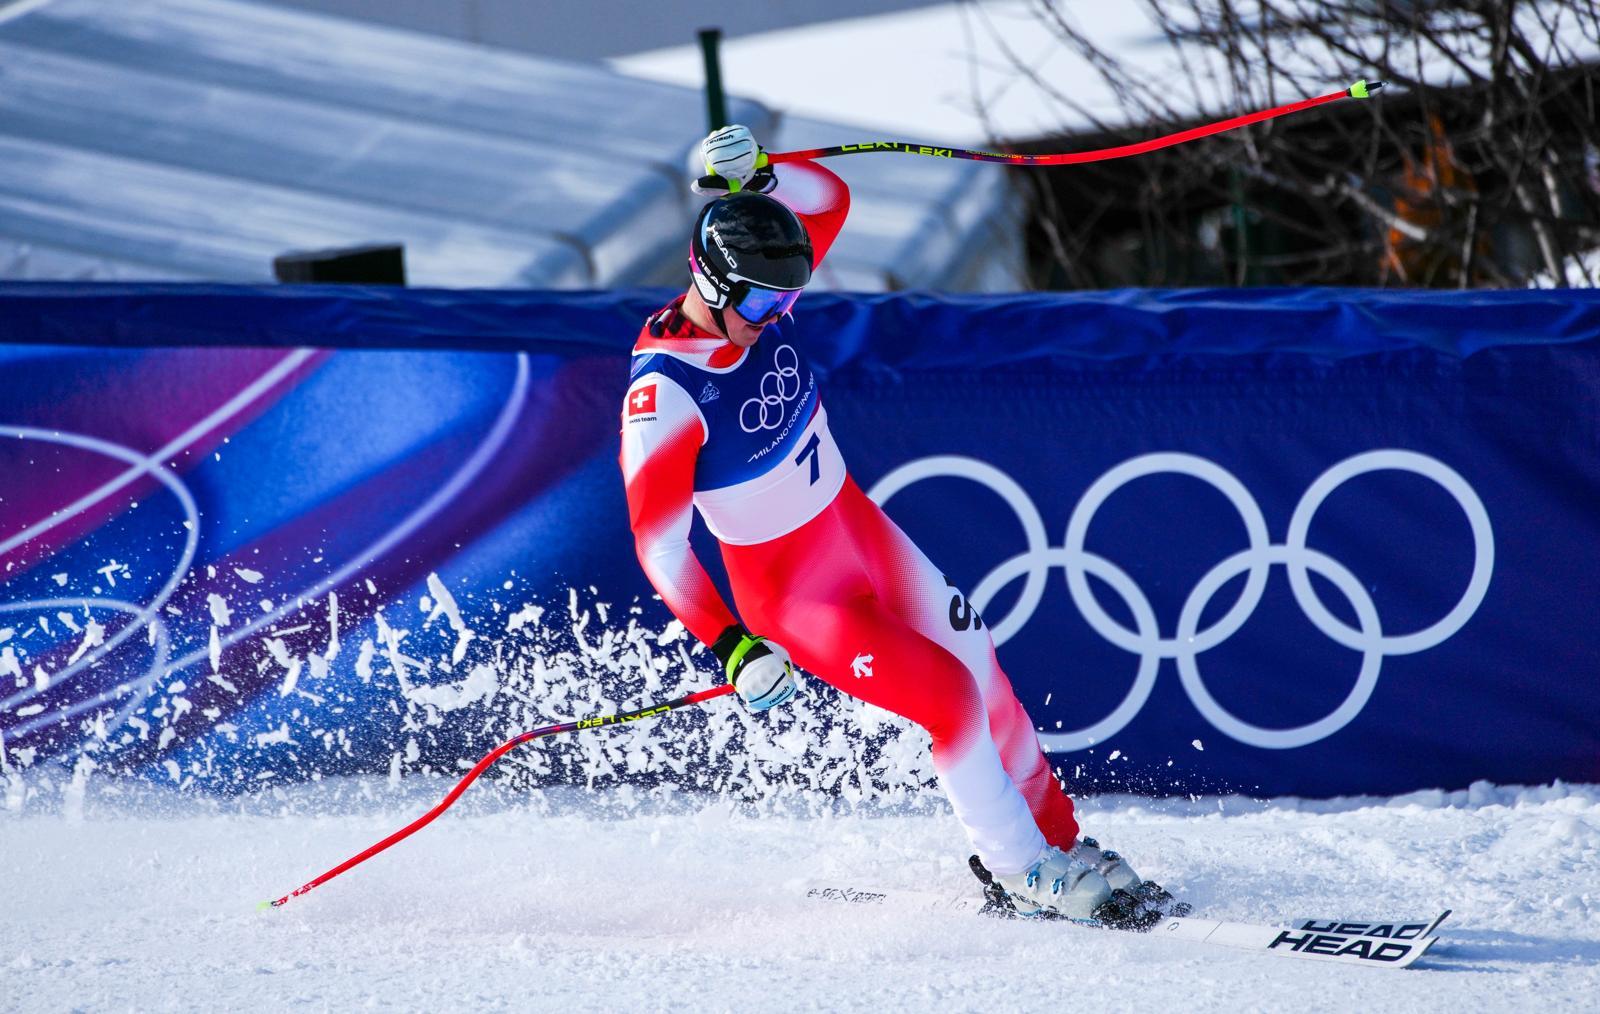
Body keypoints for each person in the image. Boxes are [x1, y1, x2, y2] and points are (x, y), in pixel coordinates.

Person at [619, 125, 1154, 921]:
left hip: (856, 532)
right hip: (797, 595)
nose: (779, 315)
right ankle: (1020, 870)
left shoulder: (760, 289)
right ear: (715, 282)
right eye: (766, 302)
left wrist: (761, 174)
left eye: (789, 299)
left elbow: (827, 198)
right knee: (947, 698)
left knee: (979, 664)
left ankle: (1059, 842)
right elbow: (658, 545)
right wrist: (732, 646)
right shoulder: (666, 395)